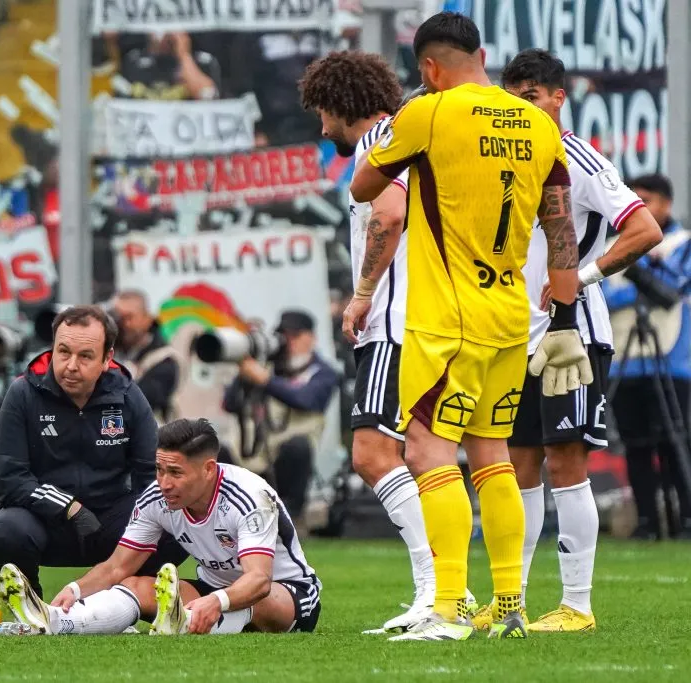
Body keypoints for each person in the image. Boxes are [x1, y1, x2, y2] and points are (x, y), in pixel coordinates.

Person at [349, 12, 591, 641]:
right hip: (516, 318)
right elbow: (560, 229)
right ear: (481, 56)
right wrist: (565, 317)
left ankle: (449, 605)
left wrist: (410, 127)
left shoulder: (429, 112)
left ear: (428, 67)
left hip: (447, 322)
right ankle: (508, 602)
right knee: (494, 457)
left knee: (427, 451)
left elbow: (363, 185)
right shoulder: (539, 124)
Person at [496, 49, 663, 633]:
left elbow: (645, 229)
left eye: (531, 96)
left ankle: (577, 605)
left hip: (572, 333)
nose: (521, 106)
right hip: (515, 336)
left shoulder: (576, 157)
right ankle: (510, 601)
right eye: (511, 97)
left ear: (557, 98)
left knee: (566, 461)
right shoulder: (508, 162)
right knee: (517, 465)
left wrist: (583, 278)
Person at [299, 51, 446, 633]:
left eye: (321, 114)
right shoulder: (408, 136)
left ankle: (434, 591)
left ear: (338, 104)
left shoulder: (380, 143)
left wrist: (361, 294)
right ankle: (444, 594)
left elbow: (389, 215)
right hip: (429, 320)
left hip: (394, 322)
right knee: (428, 453)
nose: (321, 127)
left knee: (372, 454)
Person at [0, 418, 322, 636]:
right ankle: (56, 621)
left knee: (253, 598)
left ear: (209, 470)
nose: (164, 483)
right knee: (137, 584)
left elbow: (259, 579)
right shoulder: (156, 498)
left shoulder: (251, 496)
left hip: (287, 596)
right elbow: (116, 566)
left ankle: (185, 620)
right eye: (159, 469)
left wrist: (217, 602)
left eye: (175, 473)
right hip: (211, 592)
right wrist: (75, 590)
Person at [0, 305, 187, 598]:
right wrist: (68, 507)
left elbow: (151, 476)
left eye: (85, 356)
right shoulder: (23, 393)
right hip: (46, 521)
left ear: (107, 359)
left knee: (173, 524)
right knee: (6, 530)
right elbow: (7, 476)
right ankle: (32, 612)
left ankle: (123, 605)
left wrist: (148, 519)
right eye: (63, 352)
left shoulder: (127, 395)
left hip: (111, 522)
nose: (71, 365)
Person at [603, 174, 691, 540]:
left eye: (647, 200)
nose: (640, 206)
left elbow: (672, 289)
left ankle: (684, 519)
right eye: (633, 199)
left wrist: (635, 270)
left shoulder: (682, 243)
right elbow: (597, 295)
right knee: (636, 445)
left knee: (675, 441)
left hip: (671, 360)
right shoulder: (610, 244)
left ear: (666, 204)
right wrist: (640, 287)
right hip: (625, 356)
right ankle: (647, 523)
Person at [221, 310, 339, 528]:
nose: (288, 343)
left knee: (298, 447)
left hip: (287, 458)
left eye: (295, 336)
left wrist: (264, 379)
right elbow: (230, 404)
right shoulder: (266, 366)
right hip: (253, 452)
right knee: (217, 452)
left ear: (310, 338)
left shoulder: (323, 373)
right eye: (284, 337)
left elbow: (306, 399)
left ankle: (290, 518)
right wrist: (243, 371)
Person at [112, 290, 179, 423]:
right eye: (119, 318)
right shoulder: (109, 351)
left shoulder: (164, 359)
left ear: (147, 319)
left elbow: (141, 403)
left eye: (129, 317)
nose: (124, 324)